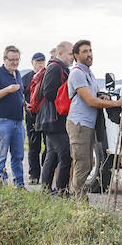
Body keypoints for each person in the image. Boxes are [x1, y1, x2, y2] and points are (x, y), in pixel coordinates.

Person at [66, 39, 122, 199]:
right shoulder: (77, 73)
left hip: (87, 124)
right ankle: (77, 201)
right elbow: (90, 101)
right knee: (82, 164)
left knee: (88, 163)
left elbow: (93, 96)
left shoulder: (88, 73)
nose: (89, 54)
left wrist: (102, 95)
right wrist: (117, 103)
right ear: (76, 55)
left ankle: (76, 197)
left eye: (90, 51)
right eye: (85, 51)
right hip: (79, 124)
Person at [0, 45, 27, 187]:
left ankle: (19, 185)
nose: (15, 63)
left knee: (18, 155)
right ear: (5, 59)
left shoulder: (18, 74)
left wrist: (24, 104)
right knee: (1, 155)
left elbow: (19, 94)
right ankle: (0, 185)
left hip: (18, 121)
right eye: (12, 60)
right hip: (3, 120)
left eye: (17, 60)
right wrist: (7, 90)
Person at [37, 41, 74, 193]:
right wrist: (68, 97)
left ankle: (46, 190)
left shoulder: (60, 68)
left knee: (52, 156)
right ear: (60, 54)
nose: (73, 57)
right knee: (66, 156)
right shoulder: (55, 68)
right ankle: (62, 191)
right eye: (70, 54)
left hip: (51, 120)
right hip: (54, 120)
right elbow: (48, 92)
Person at [22, 51, 46, 183]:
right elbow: (20, 95)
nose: (40, 64)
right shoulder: (26, 78)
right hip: (32, 116)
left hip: (46, 117)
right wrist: (25, 105)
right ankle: (34, 175)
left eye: (42, 61)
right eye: (37, 62)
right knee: (34, 146)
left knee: (49, 146)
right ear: (32, 63)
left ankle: (47, 172)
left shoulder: (48, 76)